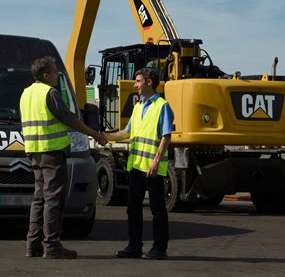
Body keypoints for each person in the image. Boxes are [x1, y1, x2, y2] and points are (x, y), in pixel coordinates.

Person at [20, 56, 107, 259]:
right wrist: (95, 134)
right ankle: (51, 245)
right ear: (46, 75)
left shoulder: (26, 94)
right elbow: (71, 120)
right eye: (55, 71)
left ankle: (32, 244)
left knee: (39, 198)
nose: (57, 75)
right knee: (53, 199)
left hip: (35, 152)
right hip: (52, 152)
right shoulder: (50, 93)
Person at [103, 68, 173, 260]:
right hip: (136, 167)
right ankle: (134, 247)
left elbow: (166, 137)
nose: (135, 85)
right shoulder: (138, 107)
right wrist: (104, 136)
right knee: (133, 208)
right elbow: (126, 133)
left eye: (138, 81)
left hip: (152, 168)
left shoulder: (162, 106)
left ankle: (160, 249)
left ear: (149, 82)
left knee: (157, 210)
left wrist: (156, 162)